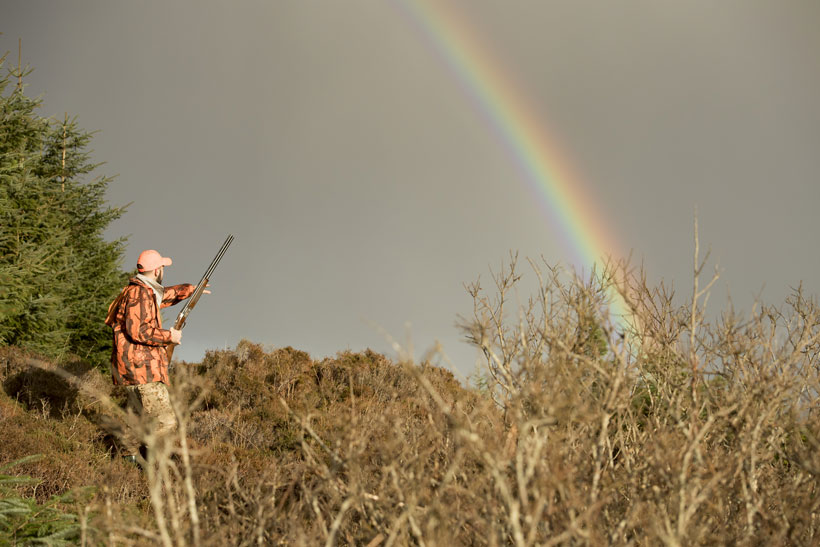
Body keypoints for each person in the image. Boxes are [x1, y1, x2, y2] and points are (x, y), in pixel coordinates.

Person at [104, 249, 206, 464]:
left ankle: (129, 463)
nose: (163, 271)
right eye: (162, 267)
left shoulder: (144, 290)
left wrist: (190, 290)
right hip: (143, 370)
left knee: (138, 420)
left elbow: (164, 295)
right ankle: (149, 465)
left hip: (134, 369)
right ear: (157, 269)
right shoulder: (139, 294)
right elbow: (138, 330)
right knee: (166, 422)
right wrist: (170, 336)